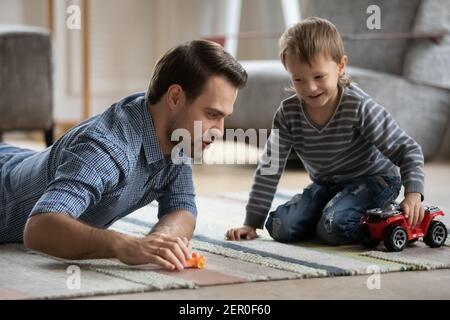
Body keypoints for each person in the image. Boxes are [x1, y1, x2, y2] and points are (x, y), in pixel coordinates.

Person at [0, 40, 247, 270]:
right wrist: (125, 245)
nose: (220, 131)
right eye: (212, 115)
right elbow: (40, 228)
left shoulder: (177, 135)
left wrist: (161, 241)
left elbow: (182, 207)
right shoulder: (106, 149)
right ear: (174, 97)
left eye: (224, 117)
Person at [226, 17, 424, 245]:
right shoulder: (288, 113)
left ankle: (383, 220)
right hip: (327, 185)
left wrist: (413, 194)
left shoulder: (358, 106)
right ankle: (328, 217)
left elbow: (407, 149)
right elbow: (270, 167)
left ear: (340, 66)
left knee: (333, 228)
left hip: (374, 180)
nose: (310, 88)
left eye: (319, 76)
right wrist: (252, 222)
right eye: (298, 79)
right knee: (281, 226)